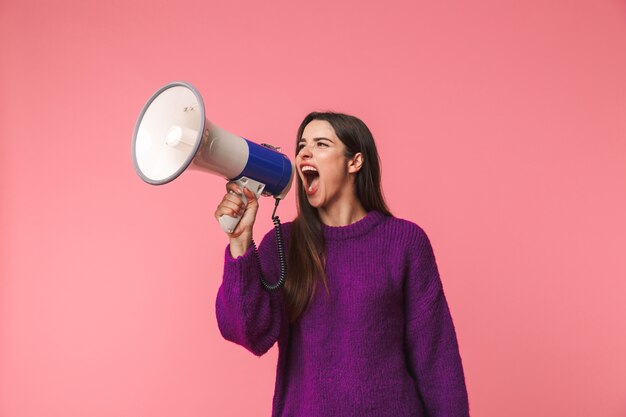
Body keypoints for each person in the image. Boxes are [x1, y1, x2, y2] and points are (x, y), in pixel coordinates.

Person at [214, 112, 470, 417]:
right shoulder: (283, 243)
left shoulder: (405, 241)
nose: (305, 152)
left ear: (355, 162)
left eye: (321, 144)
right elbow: (248, 333)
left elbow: (436, 358)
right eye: (302, 145)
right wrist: (240, 242)